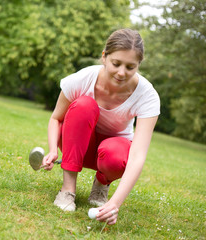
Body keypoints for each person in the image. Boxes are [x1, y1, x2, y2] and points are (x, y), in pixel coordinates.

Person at [41, 29, 160, 225]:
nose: (122, 72)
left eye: (130, 67)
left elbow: (137, 155)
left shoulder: (147, 96)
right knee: (84, 105)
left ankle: (102, 184)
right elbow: (56, 119)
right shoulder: (82, 79)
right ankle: (67, 190)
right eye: (116, 64)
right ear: (104, 57)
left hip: (110, 155)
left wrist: (115, 204)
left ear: (139, 65)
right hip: (77, 144)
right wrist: (53, 150)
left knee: (117, 155)